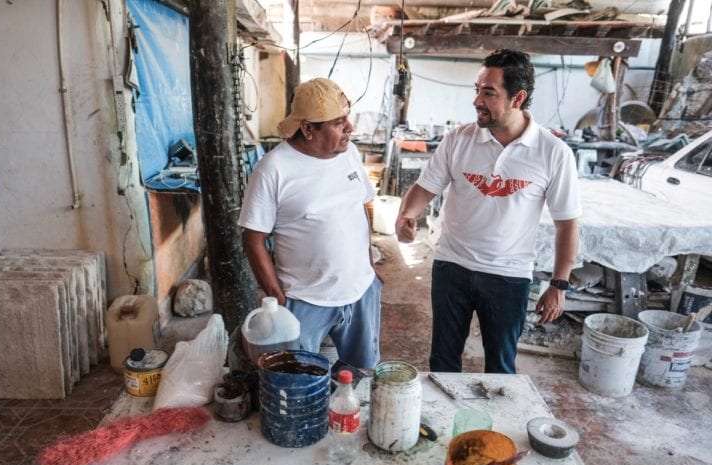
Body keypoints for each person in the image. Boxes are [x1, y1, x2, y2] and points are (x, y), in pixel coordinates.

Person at [395, 49, 581, 374]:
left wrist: (558, 285)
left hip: (508, 276)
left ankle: (493, 427)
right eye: (477, 89)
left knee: (500, 367)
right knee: (442, 360)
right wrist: (406, 215)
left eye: (489, 92)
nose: (477, 100)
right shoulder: (459, 139)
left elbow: (567, 224)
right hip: (452, 266)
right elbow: (426, 187)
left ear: (517, 98)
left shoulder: (553, 153)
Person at [238, 78, 382, 370]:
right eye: (338, 122)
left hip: (361, 291)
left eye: (347, 118)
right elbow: (253, 239)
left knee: (362, 371)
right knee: (300, 379)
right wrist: (276, 296)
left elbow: (362, 205)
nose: (350, 128)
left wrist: (369, 262)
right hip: (305, 299)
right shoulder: (273, 169)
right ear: (308, 129)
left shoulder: (349, 153)